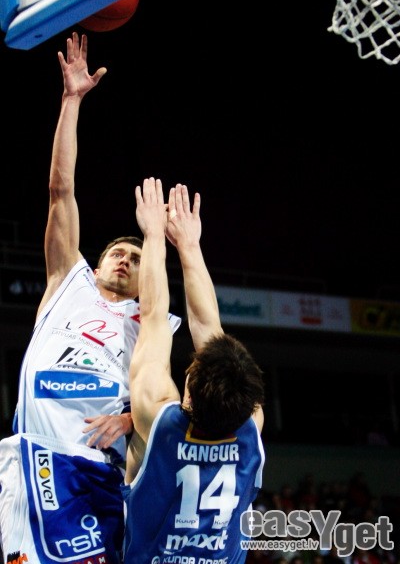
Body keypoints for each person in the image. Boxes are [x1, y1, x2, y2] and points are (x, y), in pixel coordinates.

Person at [0, 36, 181, 563]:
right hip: (35, 456)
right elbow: (61, 191)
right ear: (96, 263)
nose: (124, 260)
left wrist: (131, 421)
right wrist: (71, 101)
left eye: (135, 256)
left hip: (98, 472)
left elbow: (166, 401)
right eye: (116, 252)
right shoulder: (68, 282)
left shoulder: (151, 321)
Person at [122, 178, 265, 562]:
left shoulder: (160, 422)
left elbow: (153, 317)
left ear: (187, 391)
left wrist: (155, 237)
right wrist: (188, 245)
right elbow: (208, 330)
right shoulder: (251, 426)